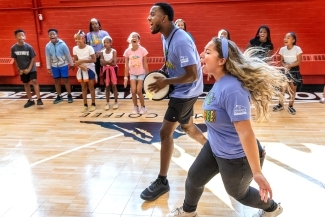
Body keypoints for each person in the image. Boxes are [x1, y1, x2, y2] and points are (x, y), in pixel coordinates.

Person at [165, 37, 286, 217]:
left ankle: (273, 208)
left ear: (222, 61)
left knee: (239, 194)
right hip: (215, 147)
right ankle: (188, 212)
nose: (201, 55)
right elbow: (216, 119)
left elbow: (245, 132)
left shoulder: (232, 89)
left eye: (207, 52)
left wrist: (257, 172)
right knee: (194, 179)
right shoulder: (220, 84)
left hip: (236, 157)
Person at [141, 2, 207, 201]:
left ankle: (162, 181)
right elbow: (171, 61)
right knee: (187, 127)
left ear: (164, 18)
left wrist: (165, 82)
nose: (148, 18)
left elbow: (192, 74)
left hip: (186, 90)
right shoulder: (166, 36)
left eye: (152, 14)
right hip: (183, 89)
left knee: (165, 132)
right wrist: (163, 72)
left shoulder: (180, 40)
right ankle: (212, 149)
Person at [11, 29, 43, 108]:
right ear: (15, 37)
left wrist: (29, 69)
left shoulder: (28, 47)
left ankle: (39, 99)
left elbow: (33, 58)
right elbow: (15, 59)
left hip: (31, 68)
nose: (21, 37)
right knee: (26, 83)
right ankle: (30, 100)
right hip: (22, 69)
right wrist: (19, 69)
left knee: (34, 81)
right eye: (19, 35)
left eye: (22, 35)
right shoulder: (13, 48)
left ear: (25, 36)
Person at [273, 32, 303, 115]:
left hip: (294, 69)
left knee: (293, 89)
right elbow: (281, 61)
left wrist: (289, 66)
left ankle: (291, 106)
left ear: (293, 40)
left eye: (288, 38)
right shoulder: (282, 49)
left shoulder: (297, 49)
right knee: (282, 88)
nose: (285, 39)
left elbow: (299, 61)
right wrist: (285, 66)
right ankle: (280, 105)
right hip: (285, 68)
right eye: (285, 37)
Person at [45, 28, 74, 104]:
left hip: (63, 64)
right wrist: (48, 67)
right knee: (56, 81)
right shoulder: (48, 46)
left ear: (57, 35)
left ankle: (69, 95)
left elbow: (68, 55)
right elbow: (48, 57)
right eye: (50, 34)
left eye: (53, 34)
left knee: (66, 80)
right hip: (54, 66)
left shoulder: (63, 44)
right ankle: (59, 96)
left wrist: (71, 64)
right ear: (49, 36)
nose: (52, 35)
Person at [123, 32, 149, 114]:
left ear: (138, 40)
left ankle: (143, 107)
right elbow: (126, 65)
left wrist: (148, 77)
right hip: (133, 74)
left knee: (138, 91)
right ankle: (135, 106)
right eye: (132, 37)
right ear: (129, 40)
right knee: (133, 91)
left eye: (136, 37)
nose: (134, 38)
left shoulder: (143, 50)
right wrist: (125, 78)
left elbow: (145, 64)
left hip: (141, 73)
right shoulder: (127, 51)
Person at [73, 30, 97, 112]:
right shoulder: (75, 48)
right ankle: (85, 104)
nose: (77, 41)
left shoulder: (89, 48)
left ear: (83, 39)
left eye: (79, 39)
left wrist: (82, 61)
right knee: (83, 88)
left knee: (91, 87)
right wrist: (81, 66)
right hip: (82, 70)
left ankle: (93, 103)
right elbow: (75, 61)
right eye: (76, 39)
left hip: (90, 69)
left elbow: (94, 59)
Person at [86, 18, 109, 95]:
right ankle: (97, 87)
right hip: (94, 56)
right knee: (96, 72)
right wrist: (92, 53)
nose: (94, 25)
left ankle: (107, 88)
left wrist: (101, 51)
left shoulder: (104, 33)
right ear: (91, 26)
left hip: (103, 55)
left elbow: (108, 44)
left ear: (99, 25)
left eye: (96, 23)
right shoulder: (88, 35)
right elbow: (88, 46)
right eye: (92, 24)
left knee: (105, 72)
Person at [100, 35, 118, 110]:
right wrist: (109, 61)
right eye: (105, 42)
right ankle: (107, 103)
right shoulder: (102, 52)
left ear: (111, 43)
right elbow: (101, 63)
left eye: (107, 42)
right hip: (105, 70)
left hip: (113, 69)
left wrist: (106, 62)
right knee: (107, 86)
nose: (106, 44)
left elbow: (114, 63)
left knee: (114, 85)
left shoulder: (114, 51)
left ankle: (116, 102)